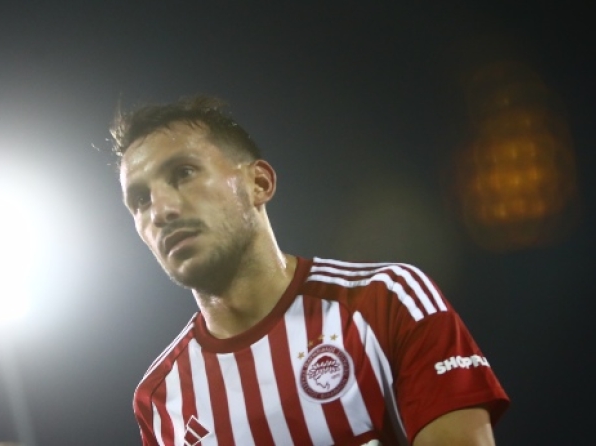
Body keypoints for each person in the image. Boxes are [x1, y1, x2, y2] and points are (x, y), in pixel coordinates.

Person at [110, 95, 509, 446]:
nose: (161, 211)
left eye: (183, 173)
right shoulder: (160, 400)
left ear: (259, 183)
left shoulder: (387, 300)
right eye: (140, 200)